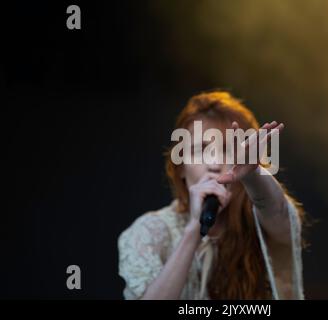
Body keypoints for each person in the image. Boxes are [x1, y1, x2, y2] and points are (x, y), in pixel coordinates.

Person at [118, 91, 306, 300]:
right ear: (180, 167)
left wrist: (252, 173)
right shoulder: (149, 233)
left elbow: (278, 211)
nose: (215, 164)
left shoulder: (264, 217)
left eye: (227, 150)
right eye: (201, 150)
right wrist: (193, 231)